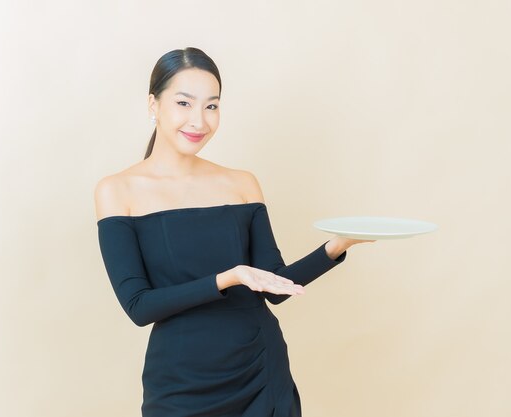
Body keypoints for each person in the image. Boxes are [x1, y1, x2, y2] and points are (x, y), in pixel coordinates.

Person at [95, 47, 375, 417]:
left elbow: (275, 285)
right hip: (180, 383)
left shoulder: (241, 183)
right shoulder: (118, 190)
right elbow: (139, 306)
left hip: (259, 369)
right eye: (184, 103)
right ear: (153, 104)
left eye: (211, 106)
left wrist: (338, 245)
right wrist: (227, 278)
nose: (199, 120)